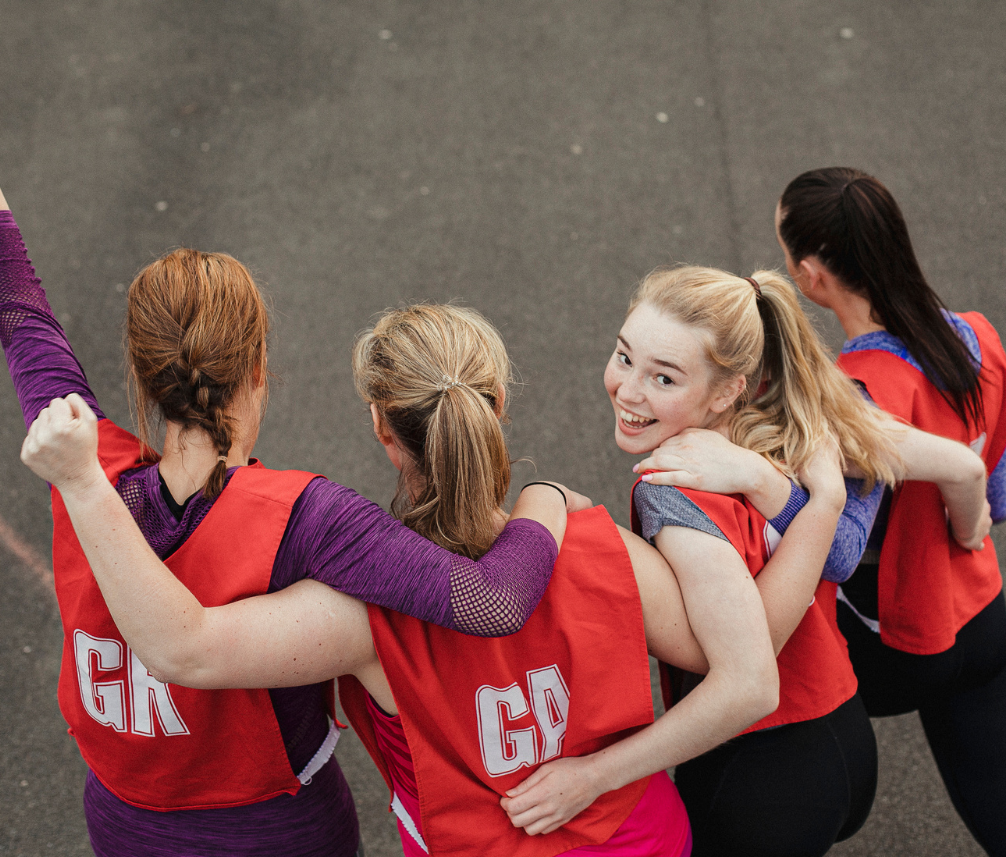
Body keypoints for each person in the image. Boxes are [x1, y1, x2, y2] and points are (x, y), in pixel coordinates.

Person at [23, 305, 873, 856]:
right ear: (496, 406)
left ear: (380, 429)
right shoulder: (599, 541)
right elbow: (745, 659)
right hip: (643, 837)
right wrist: (802, 497)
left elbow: (188, 646)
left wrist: (96, 488)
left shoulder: (353, 612)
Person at [0, 186, 571, 857]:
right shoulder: (307, 517)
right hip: (277, 828)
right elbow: (492, 598)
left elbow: (22, 314)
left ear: (143, 374)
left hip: (126, 822)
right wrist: (548, 498)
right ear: (260, 369)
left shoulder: (78, 458)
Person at [556, 264, 898, 857]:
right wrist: (823, 502)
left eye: (664, 379)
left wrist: (592, 777)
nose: (628, 389)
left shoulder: (671, 488)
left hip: (761, 780)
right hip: (845, 737)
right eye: (623, 356)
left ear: (727, 390)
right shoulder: (786, 431)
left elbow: (749, 684)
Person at [777, 166, 1006, 856]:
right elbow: (995, 492)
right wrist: (966, 523)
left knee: (752, 679)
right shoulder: (978, 336)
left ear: (813, 275)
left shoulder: (856, 395)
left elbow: (831, 543)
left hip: (905, 640)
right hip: (985, 613)